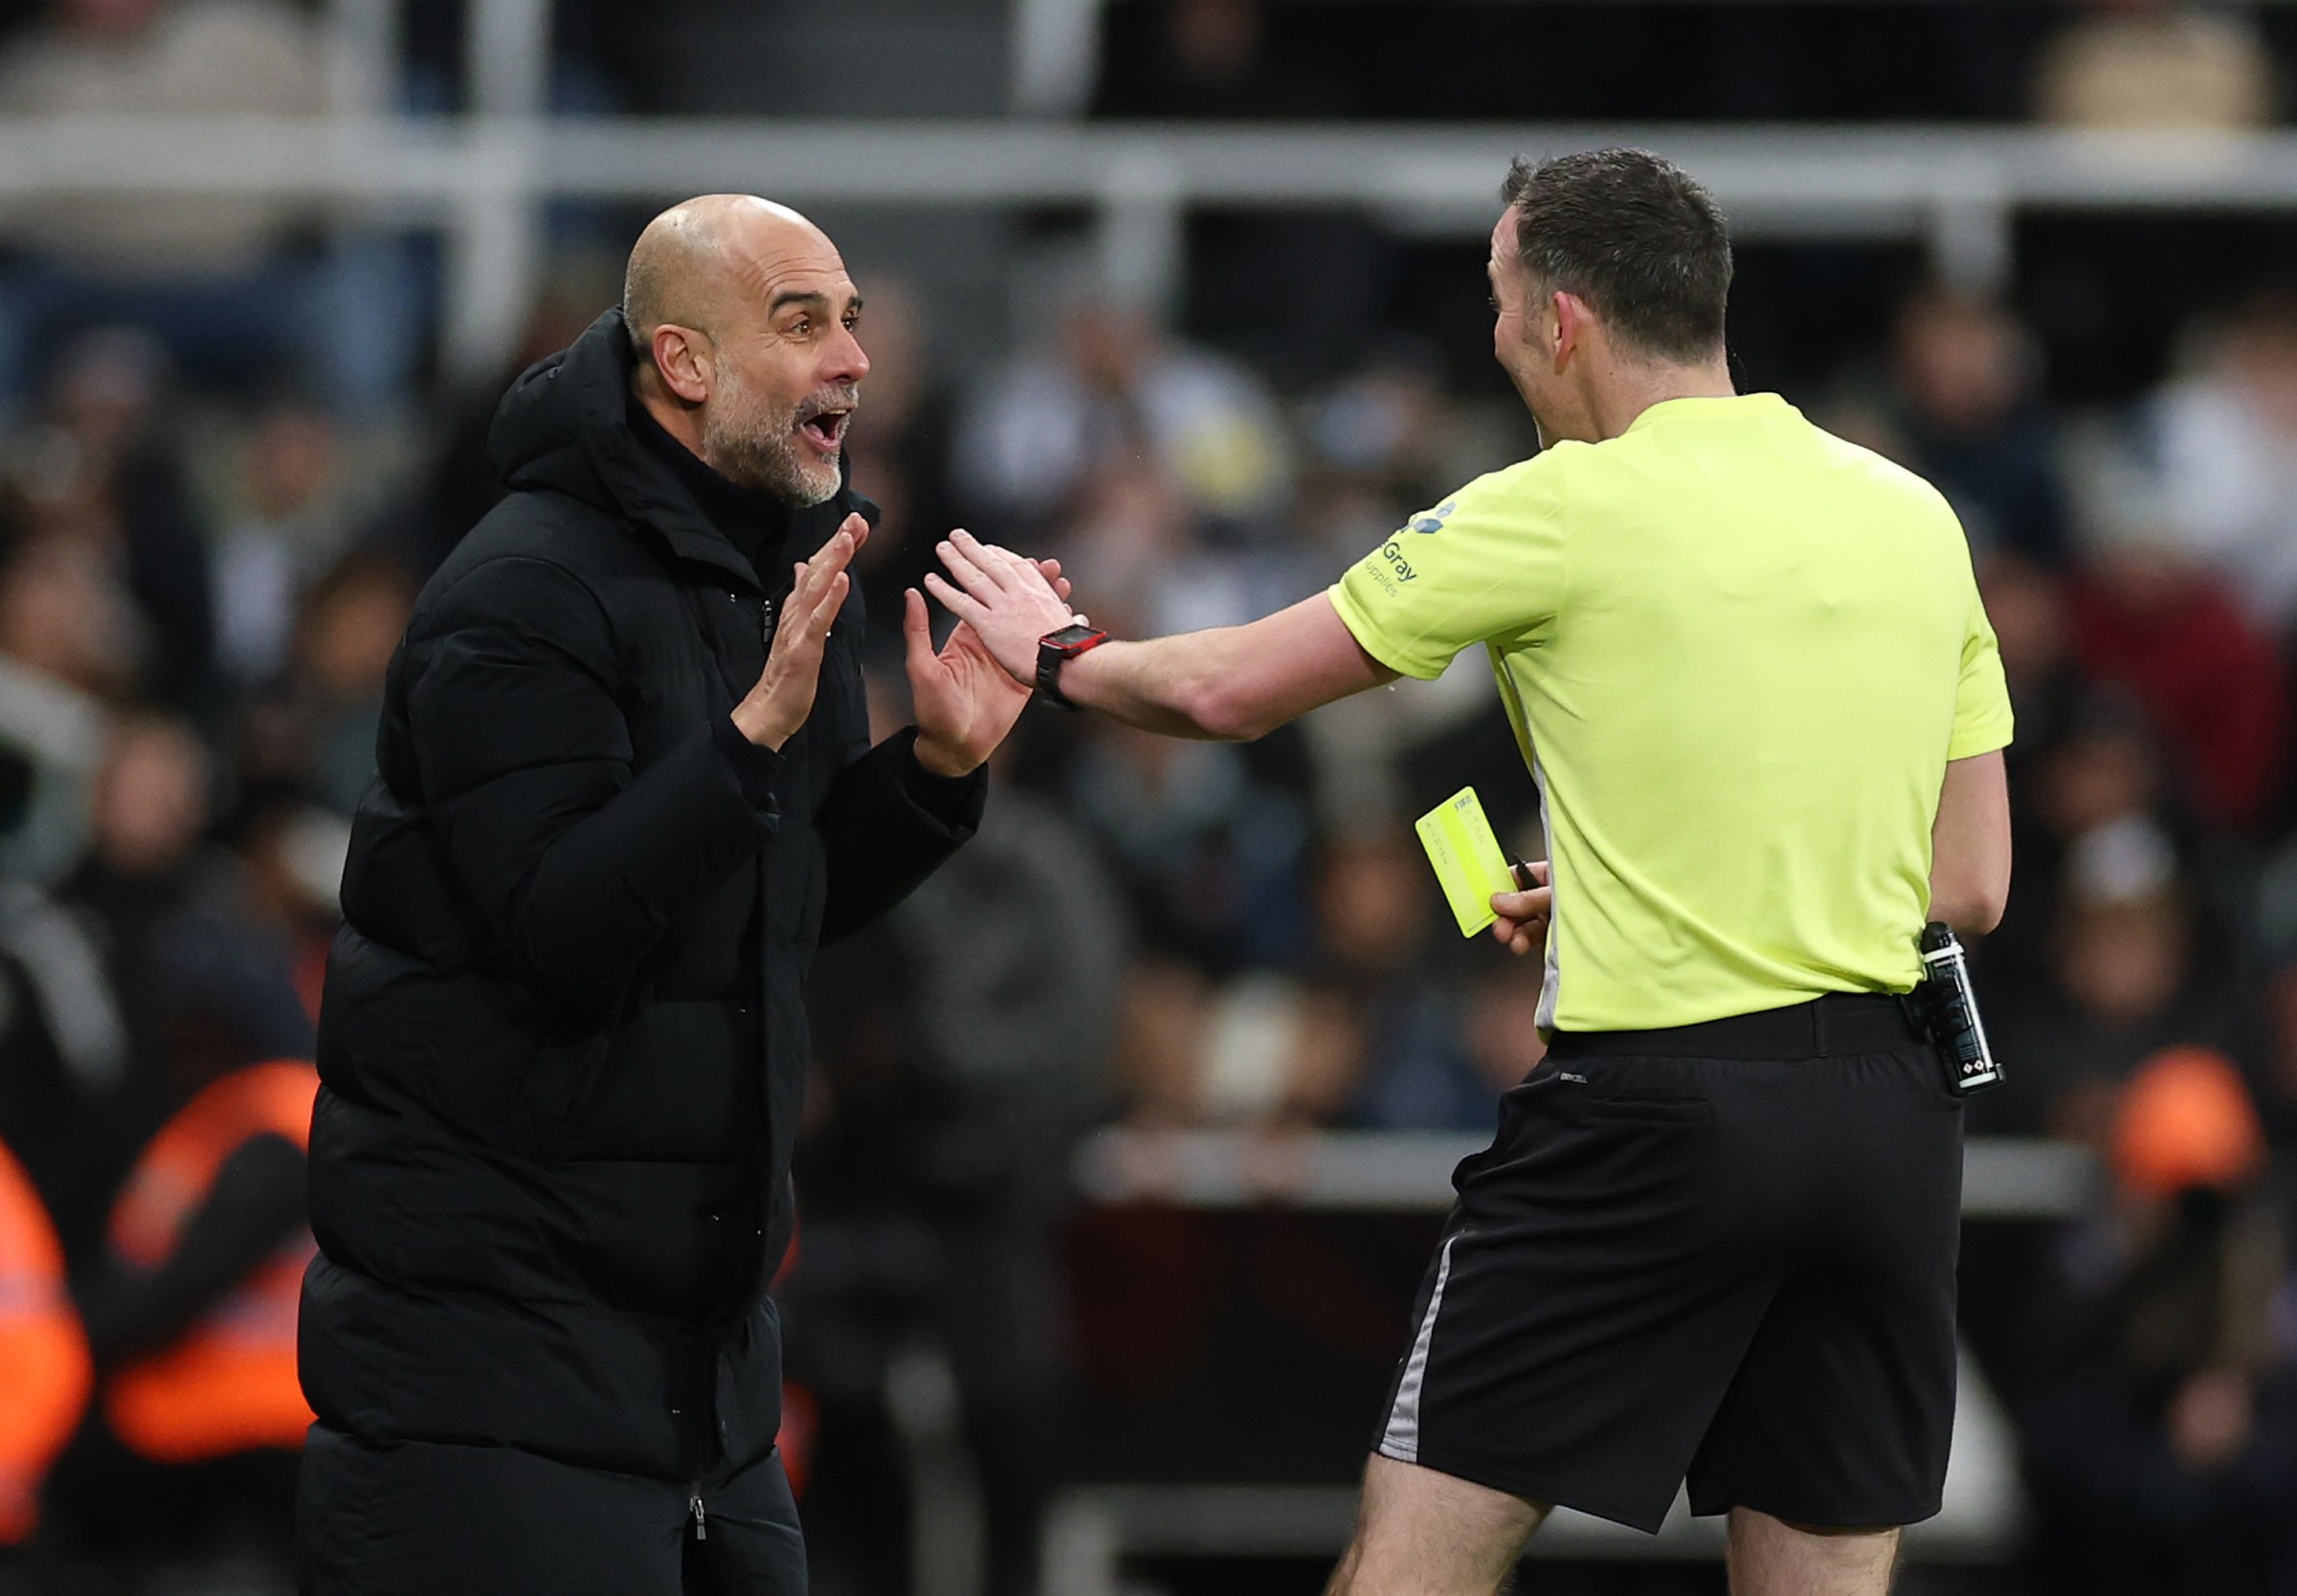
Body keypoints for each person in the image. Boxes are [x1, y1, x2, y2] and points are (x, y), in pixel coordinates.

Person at [927, 148, 2015, 1595]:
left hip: (1657, 1115)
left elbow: (1222, 694)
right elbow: (1972, 881)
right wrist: (1669, 880)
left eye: (1500, 302)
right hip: (1890, 1121)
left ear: (1562, 318)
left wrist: (1050, 651)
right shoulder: (1911, 514)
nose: (1494, 338)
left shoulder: (1553, 505)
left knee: (1414, 1566)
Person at [296, 195, 1055, 1595]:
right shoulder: (517, 591)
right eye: (802, 322)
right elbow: (564, 932)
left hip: (703, 1375)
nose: (854, 362)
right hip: (490, 1380)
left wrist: (935, 771)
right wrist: (748, 737)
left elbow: (777, 902)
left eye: (854, 323)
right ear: (684, 364)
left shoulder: (777, 580)